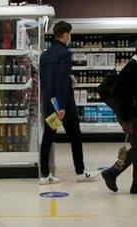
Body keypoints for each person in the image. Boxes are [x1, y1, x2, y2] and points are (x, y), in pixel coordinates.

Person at [38, 20, 96, 185]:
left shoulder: (45, 54)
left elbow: (47, 80)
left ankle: (45, 175)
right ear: (64, 35)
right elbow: (62, 82)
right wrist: (62, 107)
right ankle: (80, 172)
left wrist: (54, 104)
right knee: (75, 137)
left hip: (50, 103)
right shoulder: (64, 53)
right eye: (69, 34)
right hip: (64, 107)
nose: (69, 37)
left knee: (48, 138)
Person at [100, 37, 137, 195]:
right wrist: (125, 120)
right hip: (131, 115)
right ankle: (112, 172)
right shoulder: (132, 68)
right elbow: (124, 97)